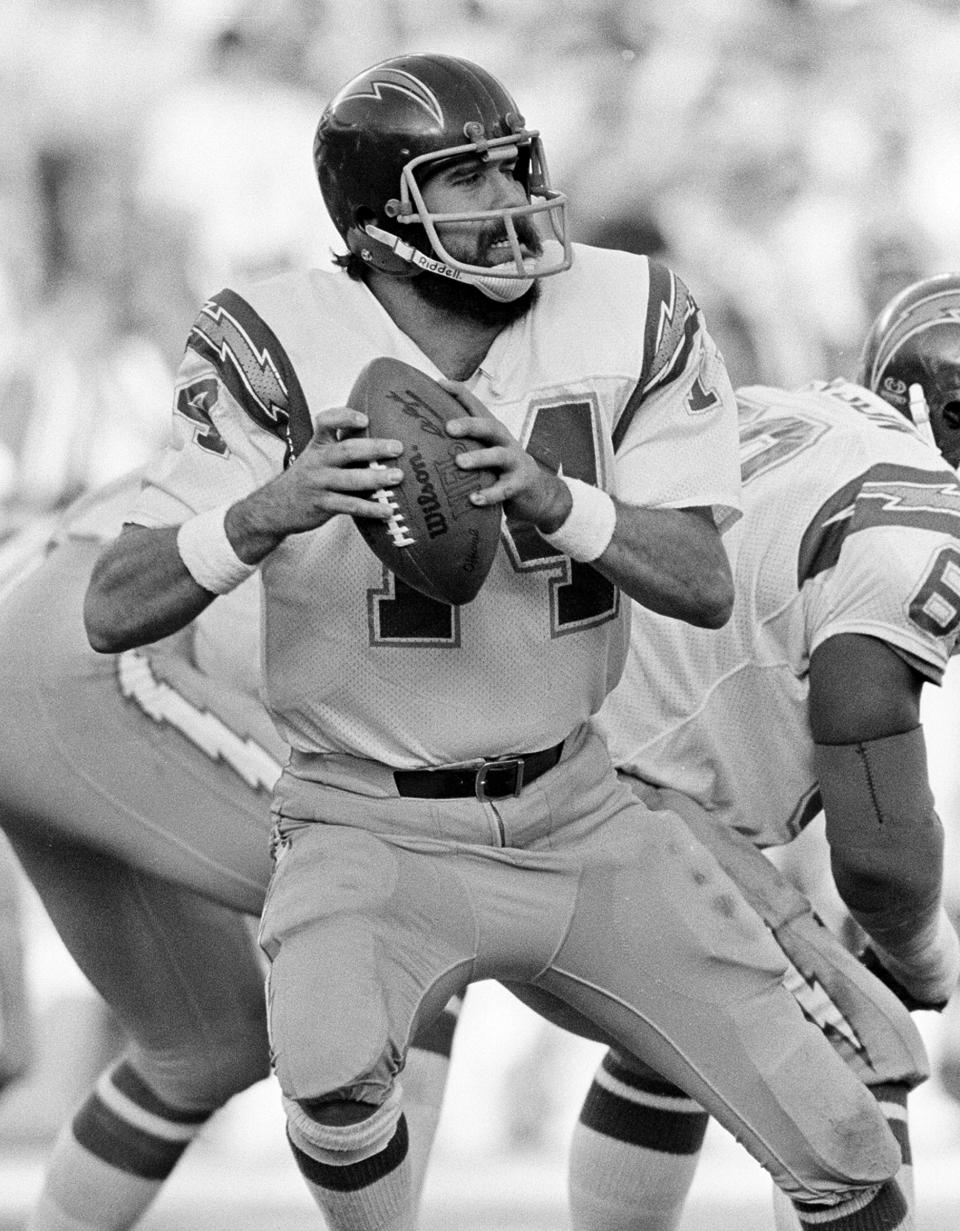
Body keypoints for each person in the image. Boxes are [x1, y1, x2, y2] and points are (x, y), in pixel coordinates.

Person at [84, 52, 913, 1231]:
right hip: (363, 815)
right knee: (327, 1072)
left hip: (582, 807)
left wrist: (549, 498)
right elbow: (113, 607)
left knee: (842, 1141)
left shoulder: (632, 307)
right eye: (465, 177)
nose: (511, 195)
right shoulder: (272, 334)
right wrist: (272, 504)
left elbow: (700, 583)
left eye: (513, 163)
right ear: (375, 223)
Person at [571, 273, 960, 1231]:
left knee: (677, 1032)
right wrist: (926, 954)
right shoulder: (920, 516)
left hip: (567, 736)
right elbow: (878, 859)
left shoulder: (797, 412)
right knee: (857, 1044)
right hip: (610, 789)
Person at [0, 472, 456, 1231]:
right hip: (89, 656)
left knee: (205, 1048)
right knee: (420, 894)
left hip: (39, 641)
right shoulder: (370, 497)